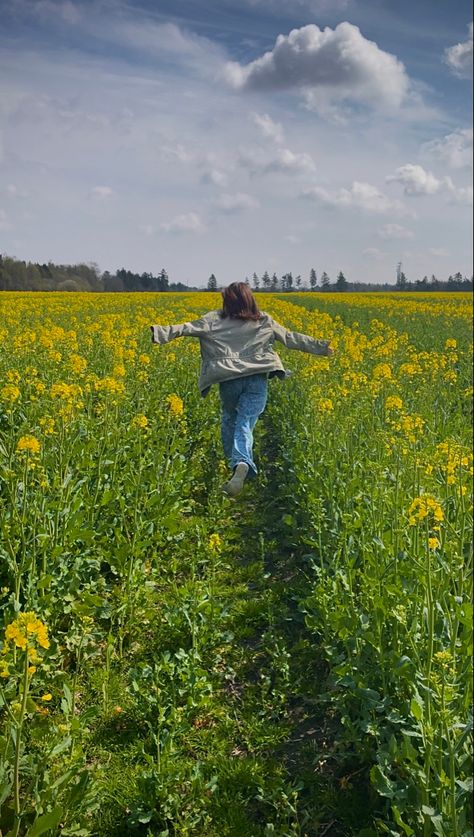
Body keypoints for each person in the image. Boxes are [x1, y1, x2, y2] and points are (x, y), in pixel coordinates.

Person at [150, 282, 334, 497]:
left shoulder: (214, 320)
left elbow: (186, 328)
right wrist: (321, 347)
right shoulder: (264, 320)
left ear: (227, 301)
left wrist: (160, 333)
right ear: (250, 299)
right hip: (257, 379)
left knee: (230, 419)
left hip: (229, 380)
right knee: (245, 422)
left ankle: (237, 465)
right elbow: (290, 338)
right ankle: (241, 462)